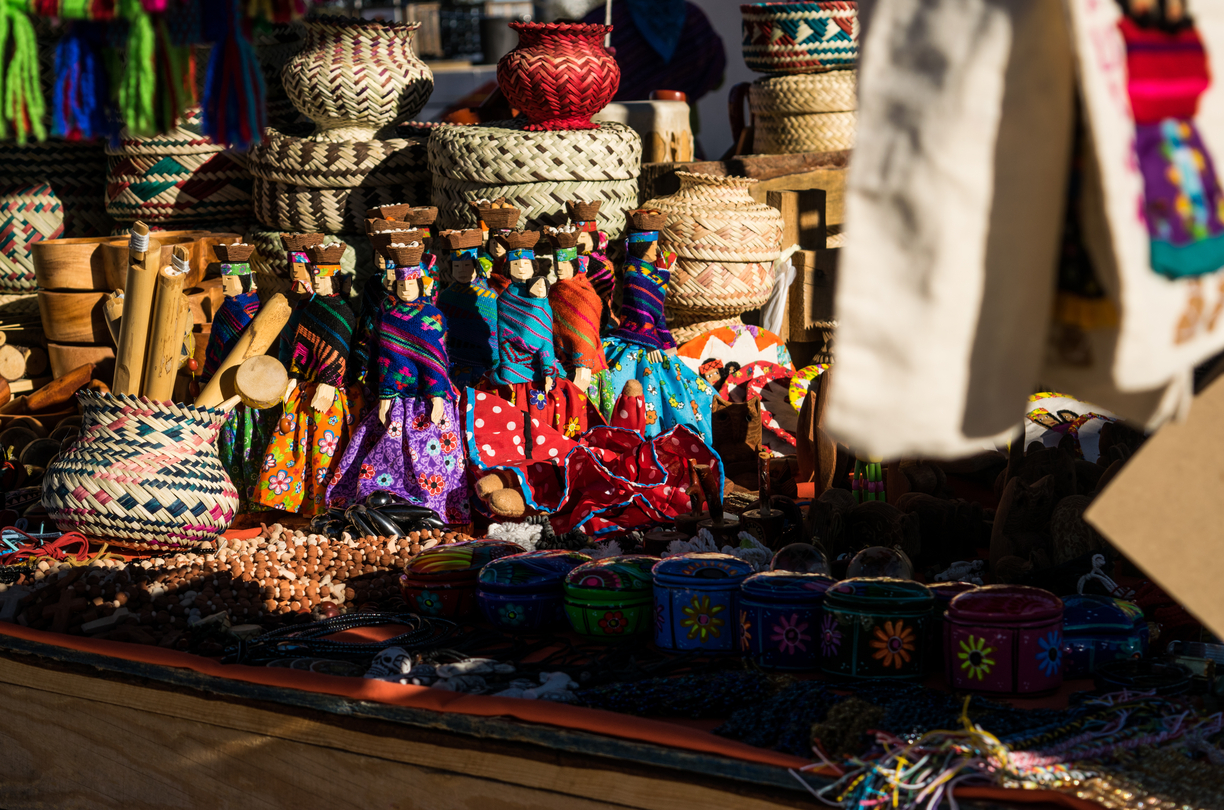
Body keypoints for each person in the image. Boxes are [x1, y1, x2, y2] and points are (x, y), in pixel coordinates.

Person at [582, 0, 726, 105]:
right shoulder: (694, 17)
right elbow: (718, 78)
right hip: (680, 134)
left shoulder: (607, 21)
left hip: (611, 138)